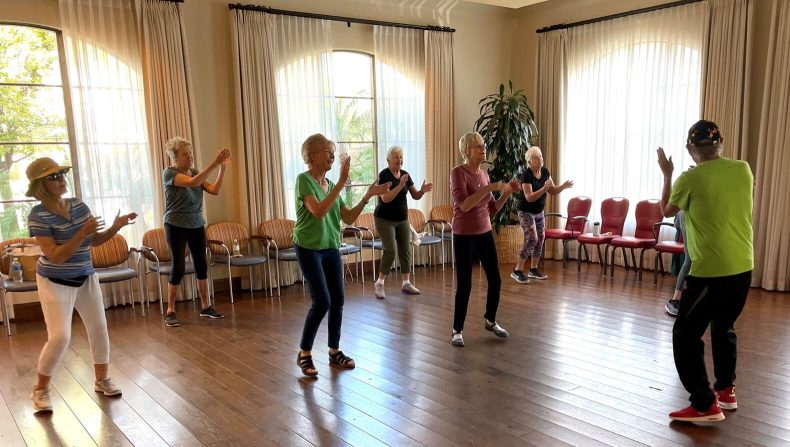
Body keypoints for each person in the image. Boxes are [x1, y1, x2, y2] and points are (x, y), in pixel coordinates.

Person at [657, 120, 753, 422]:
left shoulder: (690, 178)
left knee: (684, 333)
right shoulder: (743, 169)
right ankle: (725, 390)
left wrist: (668, 174)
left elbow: (666, 210)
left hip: (712, 272)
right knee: (723, 325)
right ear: (720, 143)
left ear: (690, 148)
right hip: (744, 268)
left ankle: (704, 404)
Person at [25, 157, 137, 413]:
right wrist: (81, 233)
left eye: (62, 174)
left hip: (85, 275)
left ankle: (102, 380)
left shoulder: (78, 205)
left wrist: (116, 227)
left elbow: (94, 241)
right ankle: (40, 389)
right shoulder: (38, 215)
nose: (61, 179)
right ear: (41, 185)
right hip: (54, 279)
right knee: (60, 337)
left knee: (99, 327)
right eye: (54, 177)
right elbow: (56, 255)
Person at [294, 134, 390, 377]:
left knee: (337, 299)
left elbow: (347, 217)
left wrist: (368, 195)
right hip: (308, 248)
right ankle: (304, 353)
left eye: (332, 152)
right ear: (312, 156)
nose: (332, 156)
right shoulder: (304, 181)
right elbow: (317, 211)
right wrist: (340, 183)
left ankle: (334, 350)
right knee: (322, 300)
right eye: (327, 152)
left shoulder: (329, 186)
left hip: (329, 247)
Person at [450, 132, 520, 347]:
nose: (483, 149)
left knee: (496, 279)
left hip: (484, 232)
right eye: (478, 146)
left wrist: (507, 192)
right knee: (465, 284)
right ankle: (457, 330)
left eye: (484, 145)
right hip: (463, 235)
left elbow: (492, 209)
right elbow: (465, 204)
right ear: (466, 151)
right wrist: (490, 188)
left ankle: (490, 320)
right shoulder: (458, 173)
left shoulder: (484, 174)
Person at [162, 137, 230, 327]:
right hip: (175, 224)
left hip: (196, 223)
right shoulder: (169, 173)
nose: (190, 157)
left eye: (190, 153)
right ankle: (170, 310)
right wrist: (214, 163)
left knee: (201, 264)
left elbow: (214, 190)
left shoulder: (195, 172)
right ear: (175, 157)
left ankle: (206, 307)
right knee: (179, 266)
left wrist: (222, 168)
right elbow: (192, 183)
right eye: (185, 154)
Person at [373, 146, 433, 299]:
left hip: (402, 219)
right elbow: (385, 198)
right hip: (384, 219)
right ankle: (379, 283)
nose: (399, 160)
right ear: (388, 160)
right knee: (391, 250)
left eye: (401, 157)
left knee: (405, 249)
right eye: (396, 157)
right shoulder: (384, 175)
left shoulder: (405, 174)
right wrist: (399, 185)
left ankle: (406, 283)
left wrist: (422, 190)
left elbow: (415, 195)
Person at [510, 146, 573, 283]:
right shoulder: (526, 175)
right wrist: (543, 188)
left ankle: (533, 269)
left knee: (541, 237)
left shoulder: (545, 172)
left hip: (539, 212)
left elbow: (553, 191)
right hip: (525, 211)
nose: (540, 159)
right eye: (536, 157)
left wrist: (562, 186)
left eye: (541, 156)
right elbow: (529, 197)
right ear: (529, 162)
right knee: (532, 238)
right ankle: (517, 270)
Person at [664, 210, 690, 317]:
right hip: (689, 216)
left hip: (698, 216)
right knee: (689, 260)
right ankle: (676, 299)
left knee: (692, 261)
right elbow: (667, 211)